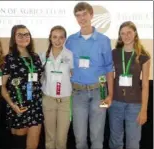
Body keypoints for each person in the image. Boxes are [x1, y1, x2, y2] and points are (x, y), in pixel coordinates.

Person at [65, 2, 114, 149]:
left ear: (91, 15)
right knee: (79, 139)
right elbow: (66, 66)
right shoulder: (70, 41)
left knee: (97, 138)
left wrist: (110, 95)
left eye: (84, 14)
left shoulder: (104, 40)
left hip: (99, 92)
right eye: (78, 15)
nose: (82, 18)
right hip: (77, 93)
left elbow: (109, 69)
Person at [109, 21, 150, 149]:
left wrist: (144, 110)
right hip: (115, 103)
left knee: (133, 143)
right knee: (116, 141)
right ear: (119, 36)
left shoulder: (143, 56)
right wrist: (105, 100)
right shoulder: (114, 53)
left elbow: (145, 85)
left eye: (129, 33)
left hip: (135, 105)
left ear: (135, 34)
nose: (126, 36)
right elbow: (107, 77)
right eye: (122, 33)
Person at [2, 25, 44, 149]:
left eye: (26, 34)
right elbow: (2, 86)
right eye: (19, 35)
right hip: (19, 106)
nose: (23, 37)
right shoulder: (8, 59)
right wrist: (13, 105)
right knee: (19, 144)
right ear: (13, 38)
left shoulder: (35, 57)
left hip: (35, 106)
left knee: (33, 145)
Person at [40, 25, 73, 149]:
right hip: (48, 100)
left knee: (61, 139)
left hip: (65, 101)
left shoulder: (70, 55)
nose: (57, 40)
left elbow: (74, 76)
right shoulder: (43, 56)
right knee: (50, 138)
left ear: (65, 39)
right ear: (50, 38)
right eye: (54, 37)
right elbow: (41, 77)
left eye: (61, 37)